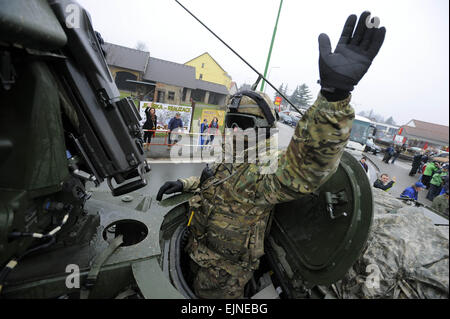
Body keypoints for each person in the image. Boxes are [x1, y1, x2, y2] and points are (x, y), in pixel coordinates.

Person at [156, 11, 386, 299]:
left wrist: (334, 96)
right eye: (233, 123)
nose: (237, 131)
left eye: (246, 125)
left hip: (224, 276)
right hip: (197, 251)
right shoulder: (232, 156)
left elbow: (306, 168)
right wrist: (186, 185)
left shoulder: (265, 166)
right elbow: (214, 181)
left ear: (264, 129)